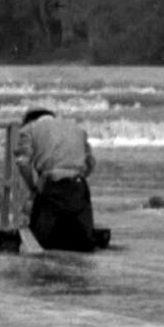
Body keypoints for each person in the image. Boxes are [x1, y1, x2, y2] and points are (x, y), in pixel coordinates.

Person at [12, 106, 99, 253]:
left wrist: (33, 188)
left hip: (52, 186)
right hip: (79, 187)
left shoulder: (29, 129)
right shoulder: (77, 129)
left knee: (38, 243)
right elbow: (90, 163)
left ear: (28, 121)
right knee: (82, 242)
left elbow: (23, 163)